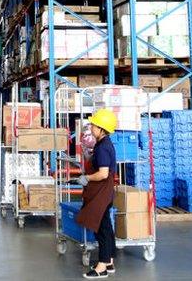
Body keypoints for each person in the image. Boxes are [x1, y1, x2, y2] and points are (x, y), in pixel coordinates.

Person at [75, 109, 118, 278]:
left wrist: (86, 178)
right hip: (105, 192)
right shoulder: (104, 144)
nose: (91, 127)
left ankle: (101, 267)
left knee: (101, 228)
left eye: (94, 125)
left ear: (102, 129)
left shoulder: (102, 147)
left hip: (101, 192)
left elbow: (103, 174)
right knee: (106, 226)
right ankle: (109, 262)